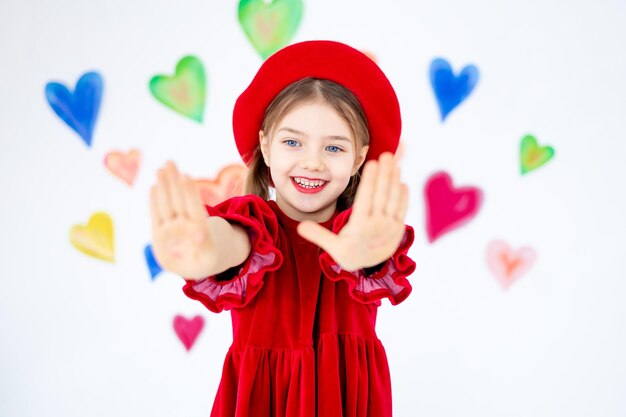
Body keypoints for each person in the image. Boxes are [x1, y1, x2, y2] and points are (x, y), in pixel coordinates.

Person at [150, 40, 416, 417]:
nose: (313, 163)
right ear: (266, 145)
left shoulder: (362, 231)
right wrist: (204, 250)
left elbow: (372, 252)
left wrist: (368, 256)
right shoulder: (256, 227)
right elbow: (230, 242)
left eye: (334, 148)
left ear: (359, 158)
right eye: (293, 142)